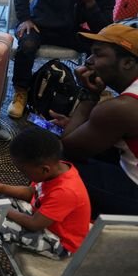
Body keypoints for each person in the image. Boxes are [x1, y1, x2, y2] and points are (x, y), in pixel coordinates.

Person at [6, 0, 118, 119]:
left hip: (68, 31)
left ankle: (91, 91)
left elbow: (103, 30)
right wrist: (24, 19)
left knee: (103, 48)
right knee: (27, 44)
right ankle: (21, 92)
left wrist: (91, 4)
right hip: (37, 25)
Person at [49, 22, 138, 217]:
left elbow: (68, 147)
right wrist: (83, 126)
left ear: (127, 63)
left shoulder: (122, 107)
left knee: (54, 161)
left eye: (98, 54)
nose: (89, 61)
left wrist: (88, 95)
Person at [0, 128, 91, 259]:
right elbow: (32, 193)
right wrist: (1, 188)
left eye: (24, 172)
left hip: (60, 243)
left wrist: (0, 208)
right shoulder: (54, 169)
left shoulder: (66, 192)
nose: (21, 174)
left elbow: (34, 224)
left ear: (45, 169)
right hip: (42, 219)